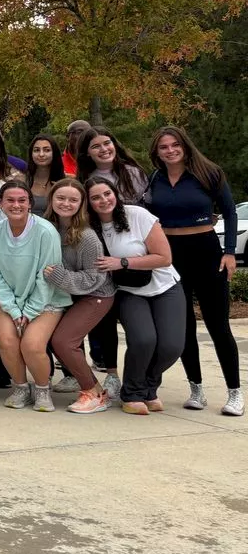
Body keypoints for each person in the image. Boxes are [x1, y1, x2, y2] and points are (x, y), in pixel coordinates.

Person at [146, 126, 241, 416]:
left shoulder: (208, 172)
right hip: (171, 255)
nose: (170, 150)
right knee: (183, 324)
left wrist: (230, 252)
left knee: (218, 325)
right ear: (157, 151)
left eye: (175, 145)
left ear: (185, 146)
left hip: (207, 250)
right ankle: (196, 388)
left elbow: (230, 211)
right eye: (164, 147)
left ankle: (234, 392)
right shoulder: (155, 179)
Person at [88, 176, 185, 415]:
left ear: (115, 194)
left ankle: (148, 388)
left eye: (107, 194)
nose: (103, 200)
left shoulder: (137, 215)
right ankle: (132, 393)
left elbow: (164, 257)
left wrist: (122, 262)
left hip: (164, 285)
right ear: (88, 203)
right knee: (143, 340)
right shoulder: (90, 228)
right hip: (128, 291)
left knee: (172, 346)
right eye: (95, 197)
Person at [0, 180, 70, 412]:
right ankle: (21, 387)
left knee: (32, 345)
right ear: (0, 204)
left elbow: (48, 276)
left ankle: (43, 389)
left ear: (30, 204)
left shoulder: (46, 231)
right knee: (6, 342)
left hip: (45, 300)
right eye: (10, 200)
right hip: (9, 300)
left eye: (22, 200)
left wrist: (29, 313)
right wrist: (15, 311)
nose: (16, 205)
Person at [40, 178, 114, 414]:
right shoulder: (46, 226)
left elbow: (94, 277)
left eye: (73, 200)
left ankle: (95, 393)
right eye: (61, 198)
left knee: (63, 341)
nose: (66, 203)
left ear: (81, 204)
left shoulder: (87, 236)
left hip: (95, 294)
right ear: (51, 199)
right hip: (66, 295)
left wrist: (62, 278)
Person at [75, 127, 147, 204]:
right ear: (87, 153)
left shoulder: (132, 172)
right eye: (96, 146)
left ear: (114, 144)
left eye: (107, 143)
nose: (104, 149)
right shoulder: (85, 179)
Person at [26, 135, 65, 215]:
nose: (41, 154)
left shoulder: (66, 181)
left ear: (54, 153)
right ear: (31, 154)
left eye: (47, 150)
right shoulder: (22, 180)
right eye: (36, 150)